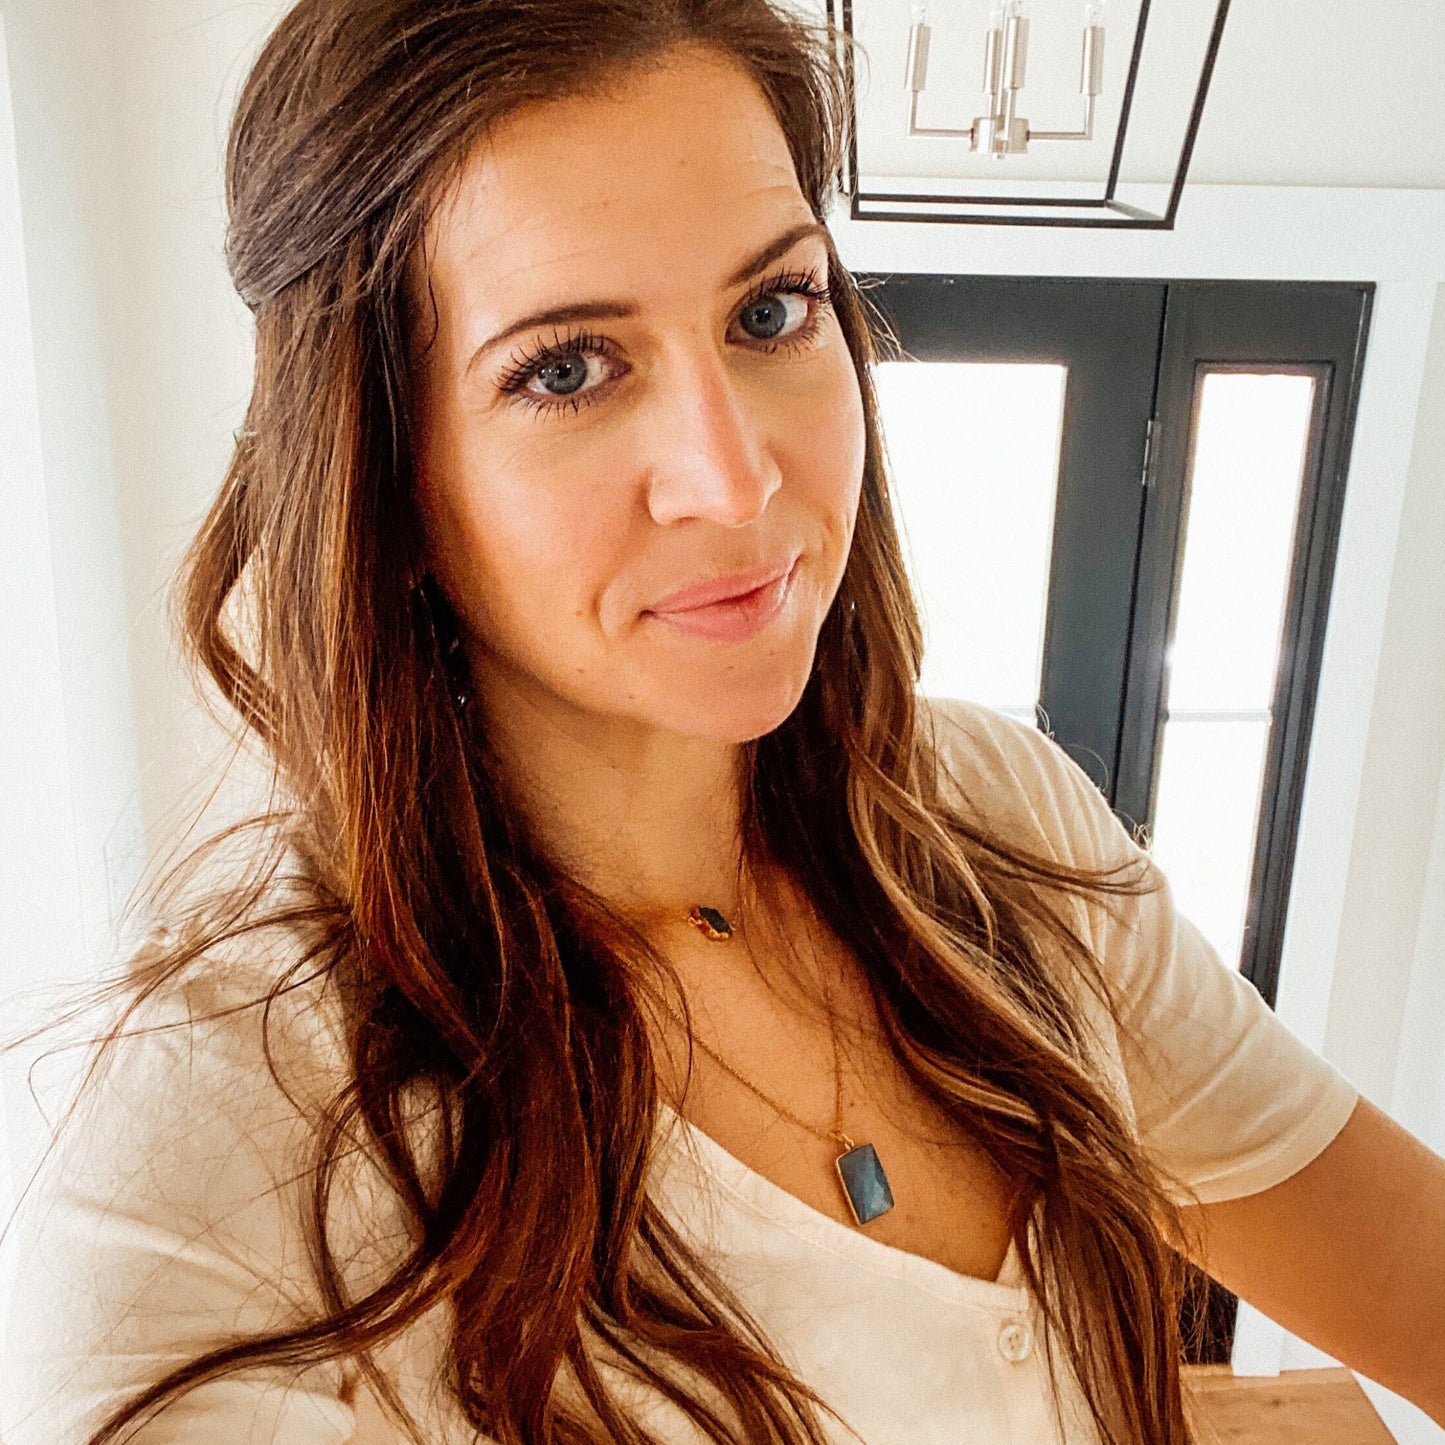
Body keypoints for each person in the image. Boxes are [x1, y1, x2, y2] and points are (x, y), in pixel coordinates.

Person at [3, 1, 1444, 1442]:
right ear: (381, 466)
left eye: (770, 311)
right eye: (565, 368)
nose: (734, 477)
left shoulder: (995, 816)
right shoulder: (223, 1135)